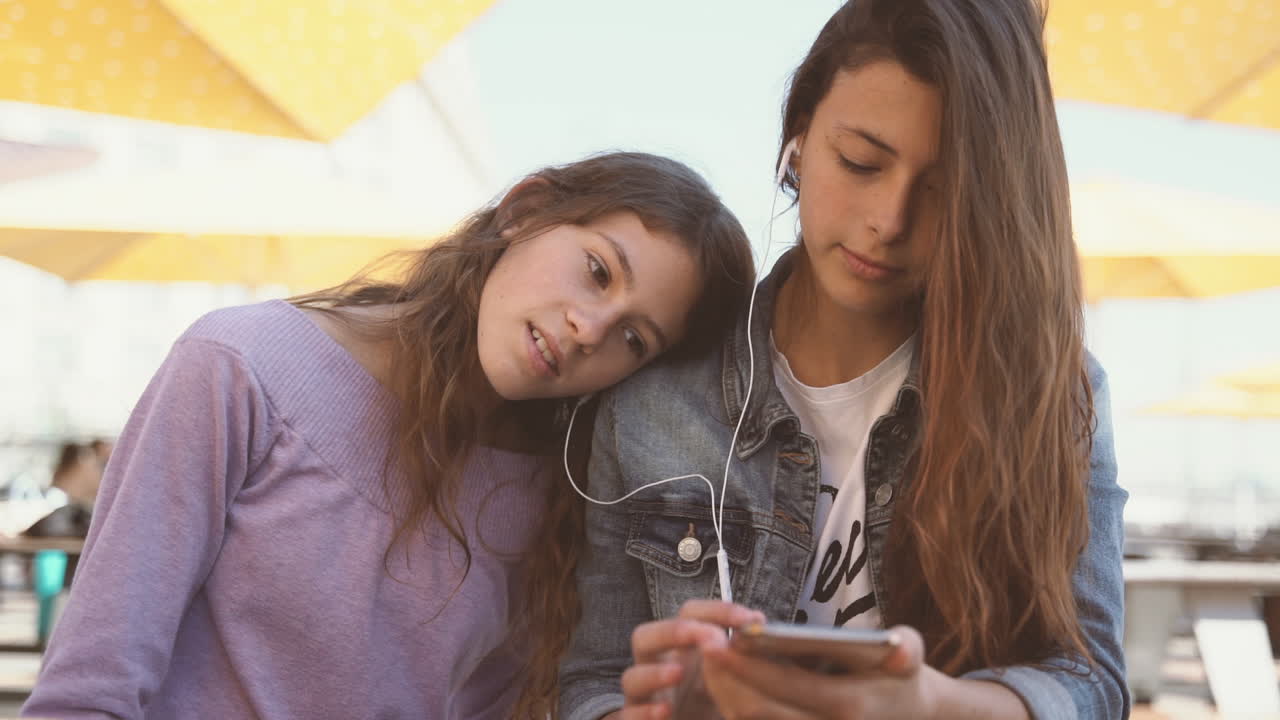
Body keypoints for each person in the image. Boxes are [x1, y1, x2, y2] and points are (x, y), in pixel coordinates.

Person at [22, 152, 755, 720]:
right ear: (524, 211)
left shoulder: (555, 497)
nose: (589, 329)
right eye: (596, 271)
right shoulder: (241, 367)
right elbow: (86, 693)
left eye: (634, 337)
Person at [559, 2, 1127, 719]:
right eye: (860, 162)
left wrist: (931, 706)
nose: (889, 221)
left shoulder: (1056, 392)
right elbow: (592, 682)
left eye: (944, 189)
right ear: (797, 137)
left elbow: (1093, 682)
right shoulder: (652, 403)